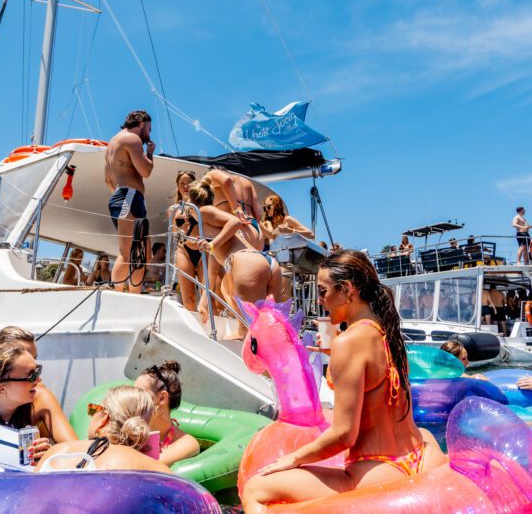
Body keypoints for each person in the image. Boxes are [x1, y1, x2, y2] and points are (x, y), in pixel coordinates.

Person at [241, 250, 446, 512]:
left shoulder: (348, 342)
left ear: (348, 290)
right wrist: (332, 354)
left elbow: (344, 436)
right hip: (421, 456)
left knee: (256, 489)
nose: (321, 300)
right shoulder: (388, 332)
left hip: (381, 469)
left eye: (324, 291)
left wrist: (292, 459)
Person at [190, 177, 282, 340]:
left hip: (245, 263)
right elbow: (211, 272)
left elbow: (234, 222)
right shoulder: (214, 227)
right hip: (263, 262)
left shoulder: (203, 212)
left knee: (249, 332)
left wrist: (212, 245)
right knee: (271, 330)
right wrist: (204, 303)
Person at [36, 386, 171, 474]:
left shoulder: (55, 453)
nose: (91, 414)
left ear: (104, 419)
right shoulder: (157, 471)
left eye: (94, 410)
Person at [104, 110, 155, 293]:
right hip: (129, 196)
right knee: (128, 254)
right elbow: (146, 171)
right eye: (149, 129)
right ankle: (123, 294)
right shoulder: (132, 139)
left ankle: (132, 293)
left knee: (140, 252)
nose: (149, 134)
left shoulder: (112, 143)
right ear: (141, 124)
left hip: (123, 195)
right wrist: (150, 154)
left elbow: (108, 180)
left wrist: (123, 193)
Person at [134, 361, 200, 466]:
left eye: (138, 394)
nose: (131, 399)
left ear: (161, 398)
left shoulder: (186, 443)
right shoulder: (128, 433)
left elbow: (147, 466)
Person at [170, 170, 204, 311]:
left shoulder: (203, 206)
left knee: (208, 298)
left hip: (203, 250)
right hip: (184, 250)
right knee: (189, 300)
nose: (185, 186)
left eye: (189, 183)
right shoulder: (174, 208)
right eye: (182, 184)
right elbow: (175, 234)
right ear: (178, 187)